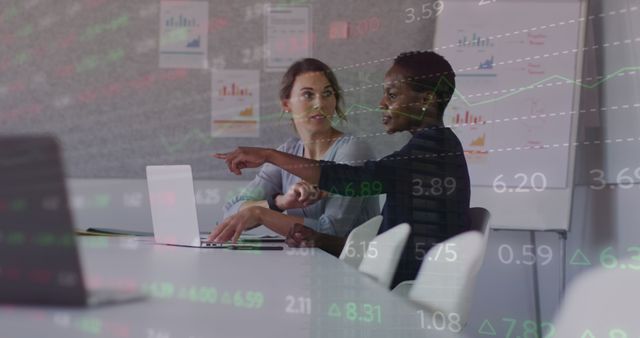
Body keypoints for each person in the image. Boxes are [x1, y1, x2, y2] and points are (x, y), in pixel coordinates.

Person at [211, 51, 470, 288]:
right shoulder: (434, 146)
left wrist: (269, 159)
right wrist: (312, 233)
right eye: (307, 94)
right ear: (286, 104)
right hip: (390, 281)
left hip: (398, 291)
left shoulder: (431, 150)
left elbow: (353, 181)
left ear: (425, 100)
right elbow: (379, 244)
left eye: (391, 95)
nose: (381, 103)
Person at [218, 58, 379, 242]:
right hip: (307, 265)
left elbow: (331, 232)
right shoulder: (289, 150)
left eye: (327, 93)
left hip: (349, 268)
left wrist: (260, 214)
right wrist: (279, 203)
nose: (320, 103)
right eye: (308, 95)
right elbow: (230, 212)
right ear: (286, 104)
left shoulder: (353, 150)